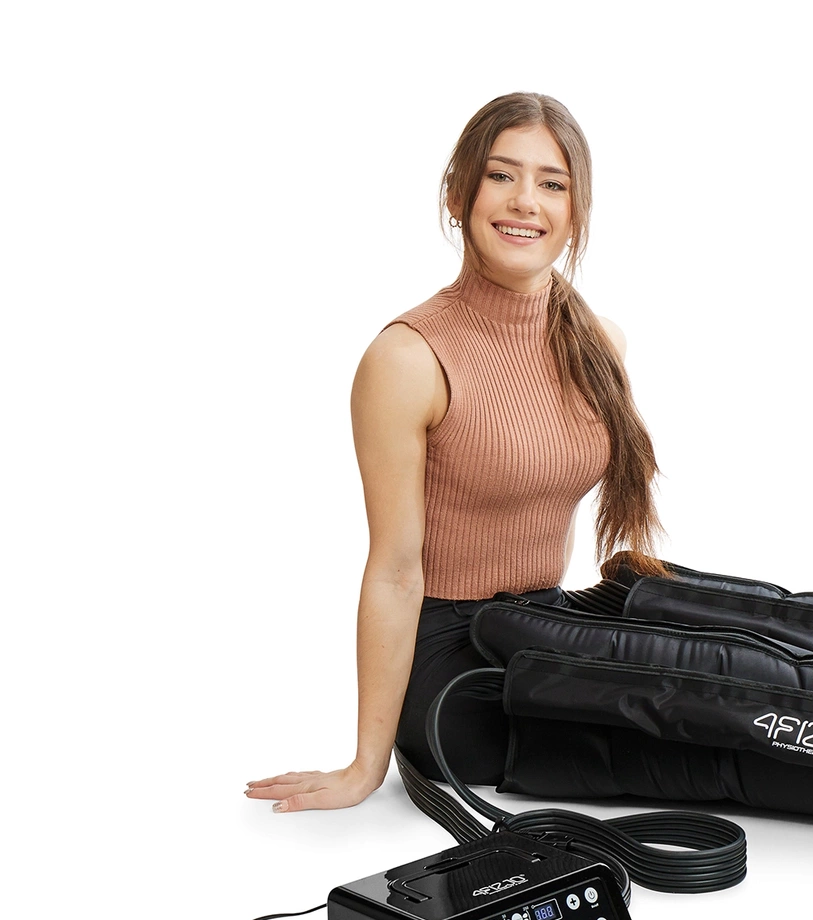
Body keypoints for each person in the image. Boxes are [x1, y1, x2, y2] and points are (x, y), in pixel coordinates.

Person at [244, 92, 671, 814]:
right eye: (501, 175)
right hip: (452, 667)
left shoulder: (600, 343)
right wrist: (365, 766)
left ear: (576, 211)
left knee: (709, 650)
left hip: (538, 626)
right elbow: (393, 570)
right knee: (681, 719)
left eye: (552, 183)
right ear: (457, 194)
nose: (526, 200)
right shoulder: (409, 358)